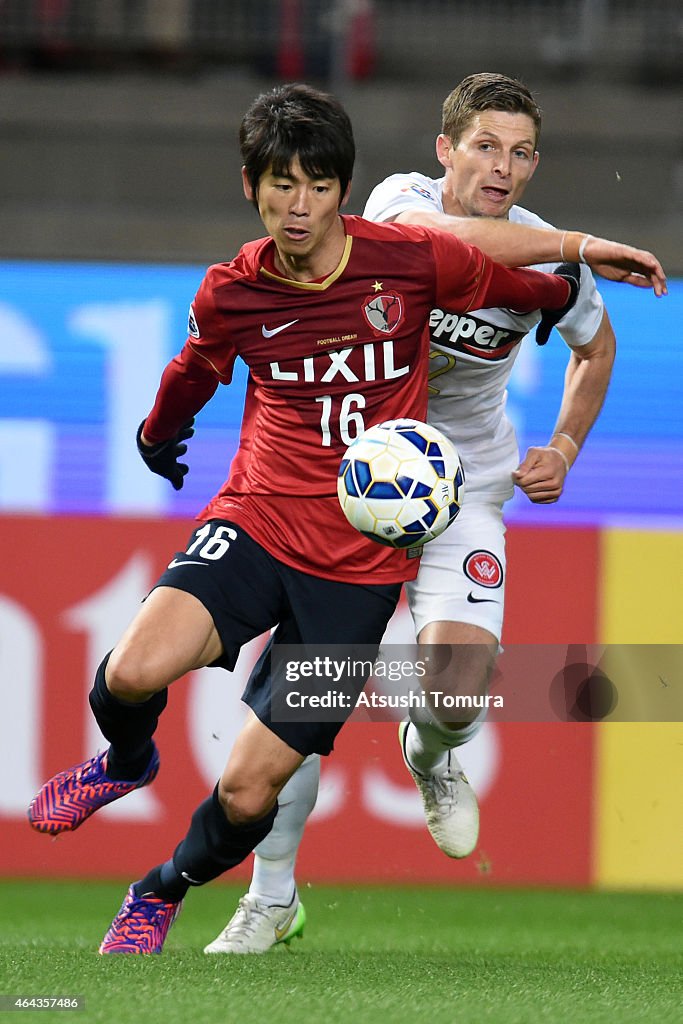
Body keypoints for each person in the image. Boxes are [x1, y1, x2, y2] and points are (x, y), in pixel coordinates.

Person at [27, 82, 664, 956]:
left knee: (439, 693)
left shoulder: (538, 265)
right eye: (483, 146)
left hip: (458, 488)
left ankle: (428, 755)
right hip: (337, 497)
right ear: (445, 150)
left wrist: (562, 444)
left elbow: (591, 339)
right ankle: (265, 895)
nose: (499, 166)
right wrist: (581, 246)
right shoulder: (398, 216)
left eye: (518, 153)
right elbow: (451, 247)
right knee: (171, 682)